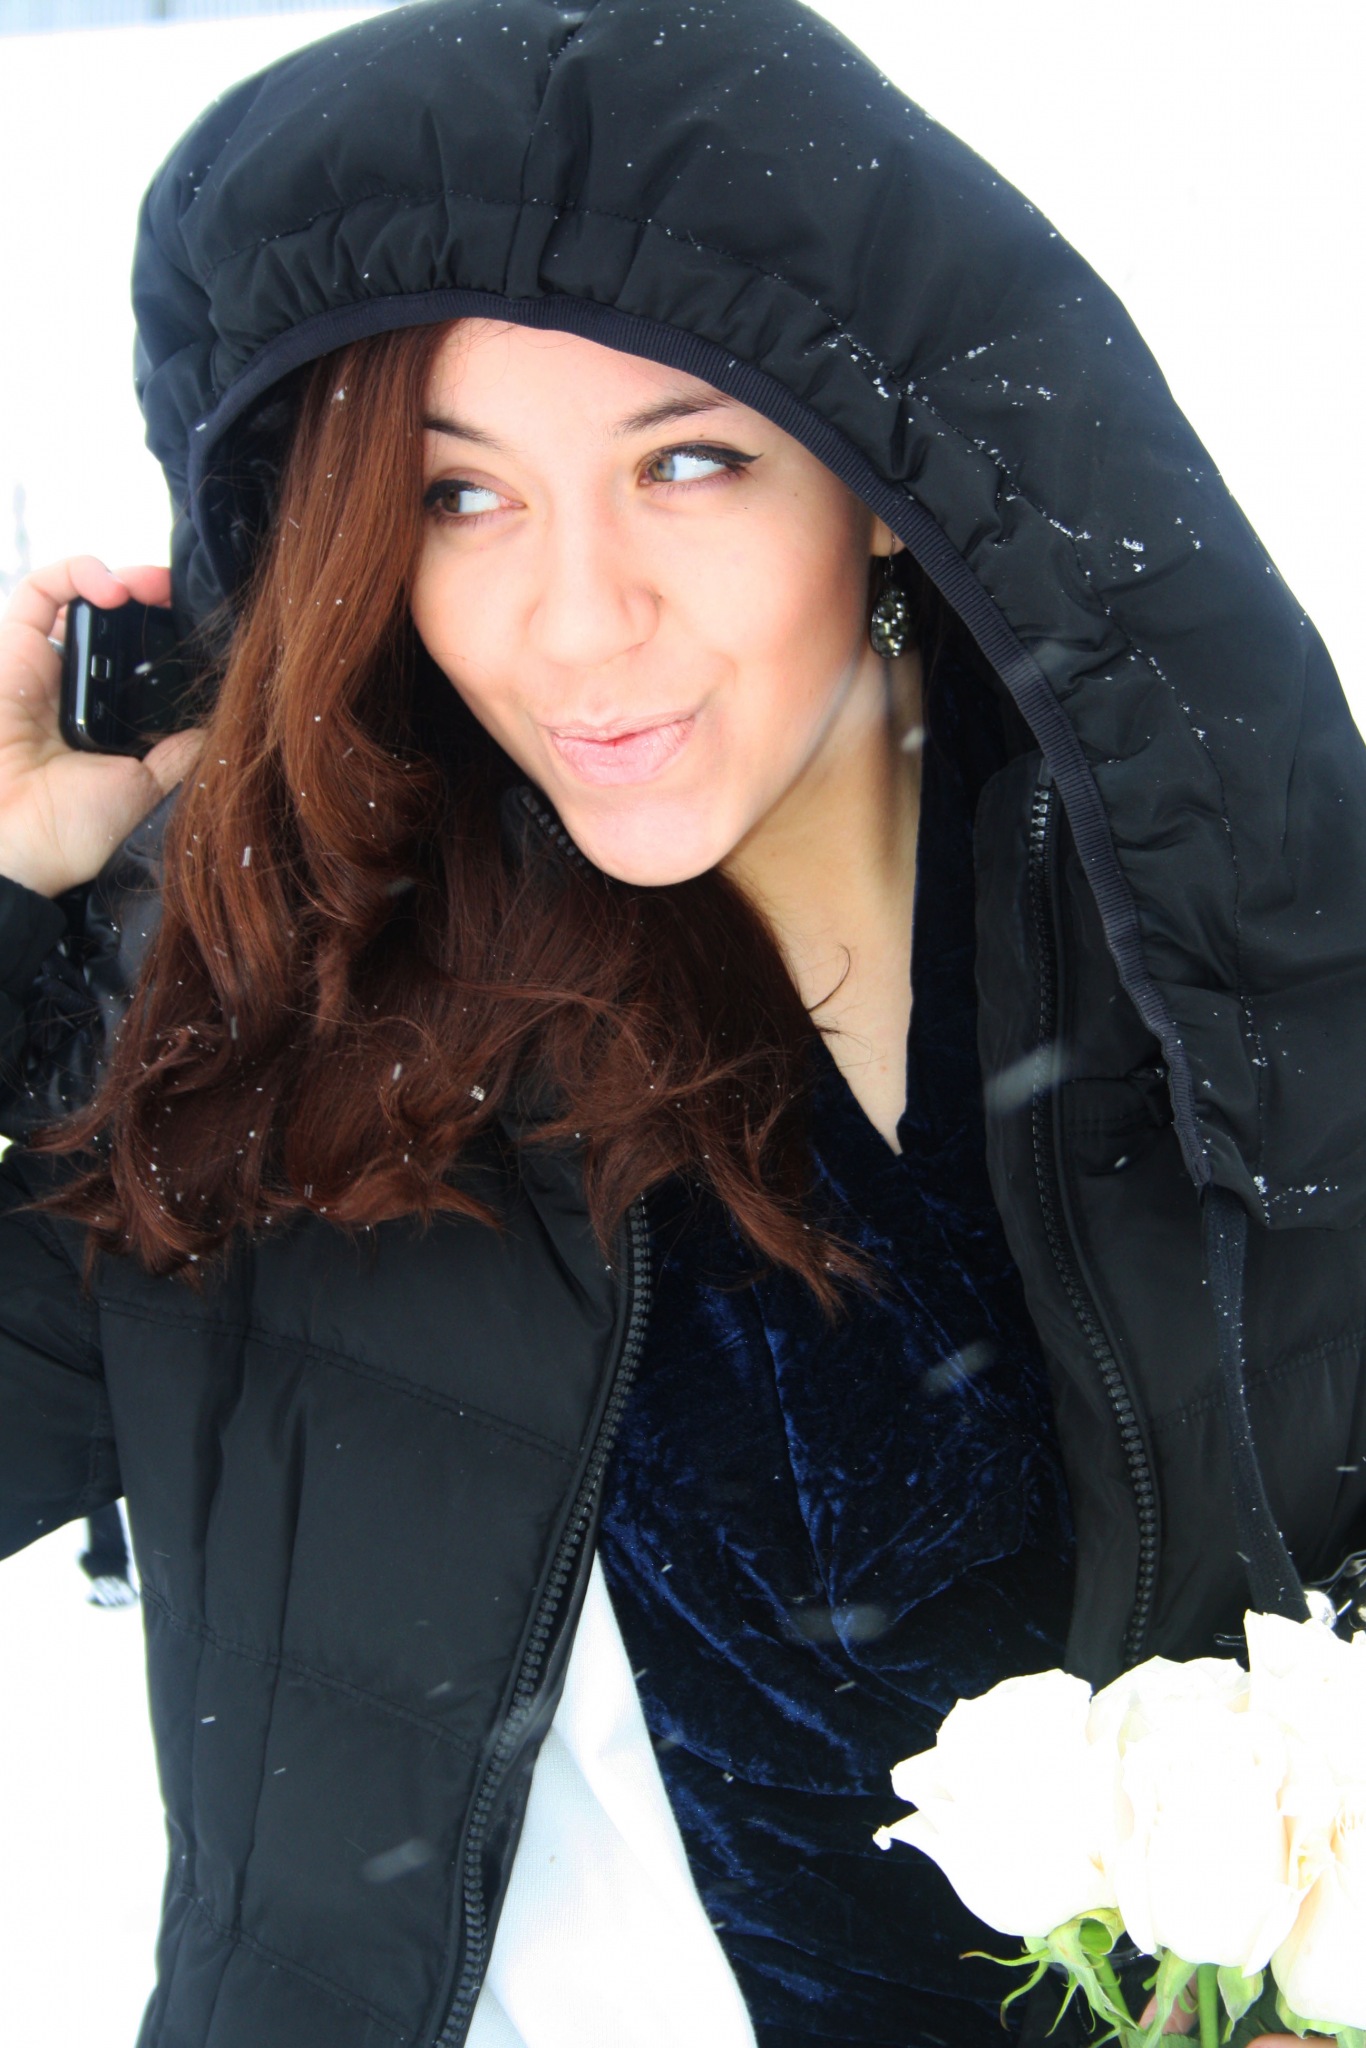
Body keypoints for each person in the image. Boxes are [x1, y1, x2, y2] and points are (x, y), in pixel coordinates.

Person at [0, 2, 1363, 2045]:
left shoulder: (1218, 965)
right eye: (459, 498)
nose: (575, 620)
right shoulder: (287, 1022)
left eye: (689, 462)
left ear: (882, 474)